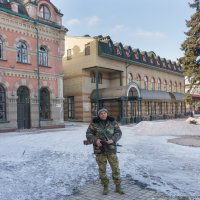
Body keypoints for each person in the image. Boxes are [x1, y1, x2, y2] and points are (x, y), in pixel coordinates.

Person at [86, 108, 124, 195]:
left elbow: (118, 132)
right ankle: (105, 187)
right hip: (99, 150)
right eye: (101, 113)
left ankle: (118, 186)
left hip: (111, 149)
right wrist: (96, 140)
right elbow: (88, 134)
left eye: (104, 113)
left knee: (115, 168)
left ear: (107, 113)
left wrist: (113, 139)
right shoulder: (94, 123)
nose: (103, 115)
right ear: (98, 115)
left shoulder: (112, 122)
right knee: (102, 169)